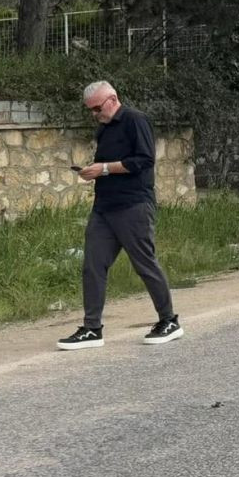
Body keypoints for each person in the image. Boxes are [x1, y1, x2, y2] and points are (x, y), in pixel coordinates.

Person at [57, 81, 180, 351]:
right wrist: (92, 171)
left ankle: (169, 320)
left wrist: (102, 169)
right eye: (90, 110)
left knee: (144, 263)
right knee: (92, 265)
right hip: (104, 207)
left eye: (98, 108)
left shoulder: (136, 120)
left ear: (113, 99)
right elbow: (107, 166)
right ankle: (92, 328)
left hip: (133, 205)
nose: (94, 114)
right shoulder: (104, 128)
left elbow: (144, 160)